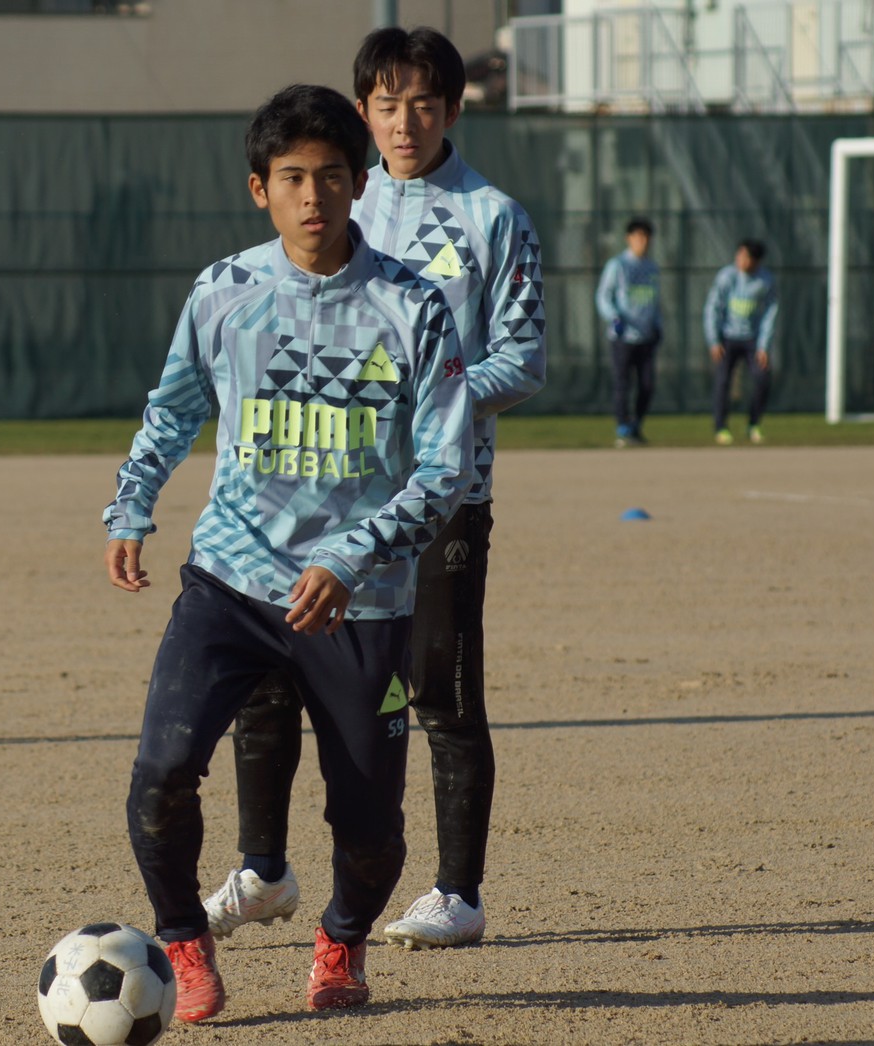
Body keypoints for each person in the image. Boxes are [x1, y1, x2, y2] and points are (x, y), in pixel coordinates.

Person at [103, 84, 474, 1020]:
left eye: (333, 176)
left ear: (360, 184)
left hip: (361, 601)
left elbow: (448, 468)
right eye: (294, 178)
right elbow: (174, 407)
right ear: (259, 188)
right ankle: (183, 945)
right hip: (230, 582)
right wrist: (131, 505)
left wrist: (352, 557)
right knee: (160, 776)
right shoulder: (224, 291)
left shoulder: (412, 306)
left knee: (371, 825)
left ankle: (342, 941)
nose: (315, 196)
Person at [204, 25, 546, 952]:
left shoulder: (494, 218)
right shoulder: (338, 198)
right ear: (363, 112)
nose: (405, 122)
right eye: (388, 105)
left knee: (439, 689)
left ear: (454, 109)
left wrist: (426, 398)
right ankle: (263, 871)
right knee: (268, 679)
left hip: (440, 499)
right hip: (308, 497)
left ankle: (458, 892)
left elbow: (523, 358)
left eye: (424, 103)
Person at [704, 239, 778, 445]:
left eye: (746, 257)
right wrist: (714, 340)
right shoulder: (727, 277)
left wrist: (763, 346)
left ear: (756, 261)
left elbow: (770, 314)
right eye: (740, 255)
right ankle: (721, 427)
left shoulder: (765, 281)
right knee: (722, 382)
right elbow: (713, 308)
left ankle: (753, 424)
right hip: (727, 338)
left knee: (762, 378)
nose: (741, 260)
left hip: (752, 339)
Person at [595, 217, 662, 447]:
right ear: (629, 239)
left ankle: (636, 425)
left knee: (647, 385)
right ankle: (623, 426)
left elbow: (655, 301)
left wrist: (658, 325)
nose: (643, 241)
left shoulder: (652, 268)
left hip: (646, 336)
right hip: (623, 337)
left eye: (646, 237)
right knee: (622, 384)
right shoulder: (618, 265)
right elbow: (603, 296)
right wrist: (614, 317)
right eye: (638, 236)